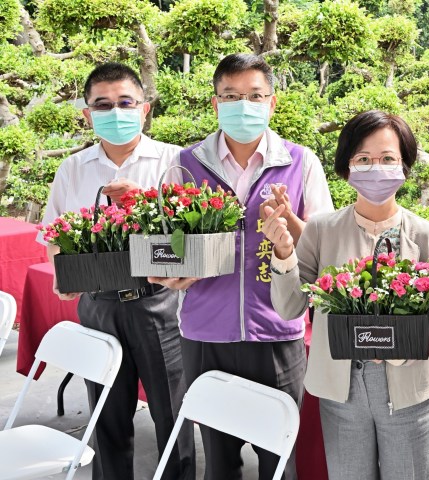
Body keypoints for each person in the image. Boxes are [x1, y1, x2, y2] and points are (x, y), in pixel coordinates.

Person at [149, 53, 333, 480]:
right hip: (204, 334)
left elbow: (324, 254)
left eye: (254, 96)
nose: (243, 106)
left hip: (277, 335)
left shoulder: (301, 162)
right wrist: (173, 273)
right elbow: (169, 243)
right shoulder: (186, 164)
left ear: (272, 103)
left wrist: (290, 223)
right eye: (231, 96)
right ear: (215, 104)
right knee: (219, 461)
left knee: (279, 462)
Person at [264, 110, 429, 480]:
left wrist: (404, 347)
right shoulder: (321, 230)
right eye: (363, 159)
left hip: (410, 391)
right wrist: (285, 253)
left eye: (388, 159)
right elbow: (289, 307)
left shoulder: (428, 235)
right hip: (342, 389)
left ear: (405, 166)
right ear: (346, 166)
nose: (376, 168)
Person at [39, 62, 194, 480]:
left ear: (144, 109)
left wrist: (142, 202)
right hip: (97, 306)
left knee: (173, 414)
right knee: (106, 415)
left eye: (126, 103)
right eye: (103, 105)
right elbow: (54, 232)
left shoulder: (174, 161)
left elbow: (190, 236)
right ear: (87, 114)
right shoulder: (71, 168)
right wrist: (61, 273)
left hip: (158, 305)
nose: (116, 112)